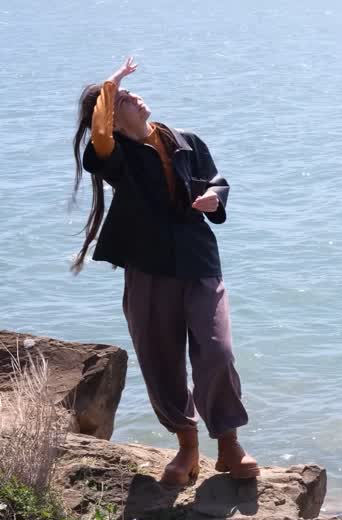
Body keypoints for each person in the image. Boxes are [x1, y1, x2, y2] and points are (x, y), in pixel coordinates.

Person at [70, 57, 259, 486]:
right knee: (160, 360)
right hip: (148, 267)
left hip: (199, 262)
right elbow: (97, 139)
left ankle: (228, 444)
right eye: (122, 100)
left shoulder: (186, 140)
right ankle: (188, 447)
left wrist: (215, 197)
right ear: (112, 120)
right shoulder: (116, 156)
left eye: (129, 93)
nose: (133, 96)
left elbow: (217, 180)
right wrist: (108, 85)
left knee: (217, 352)